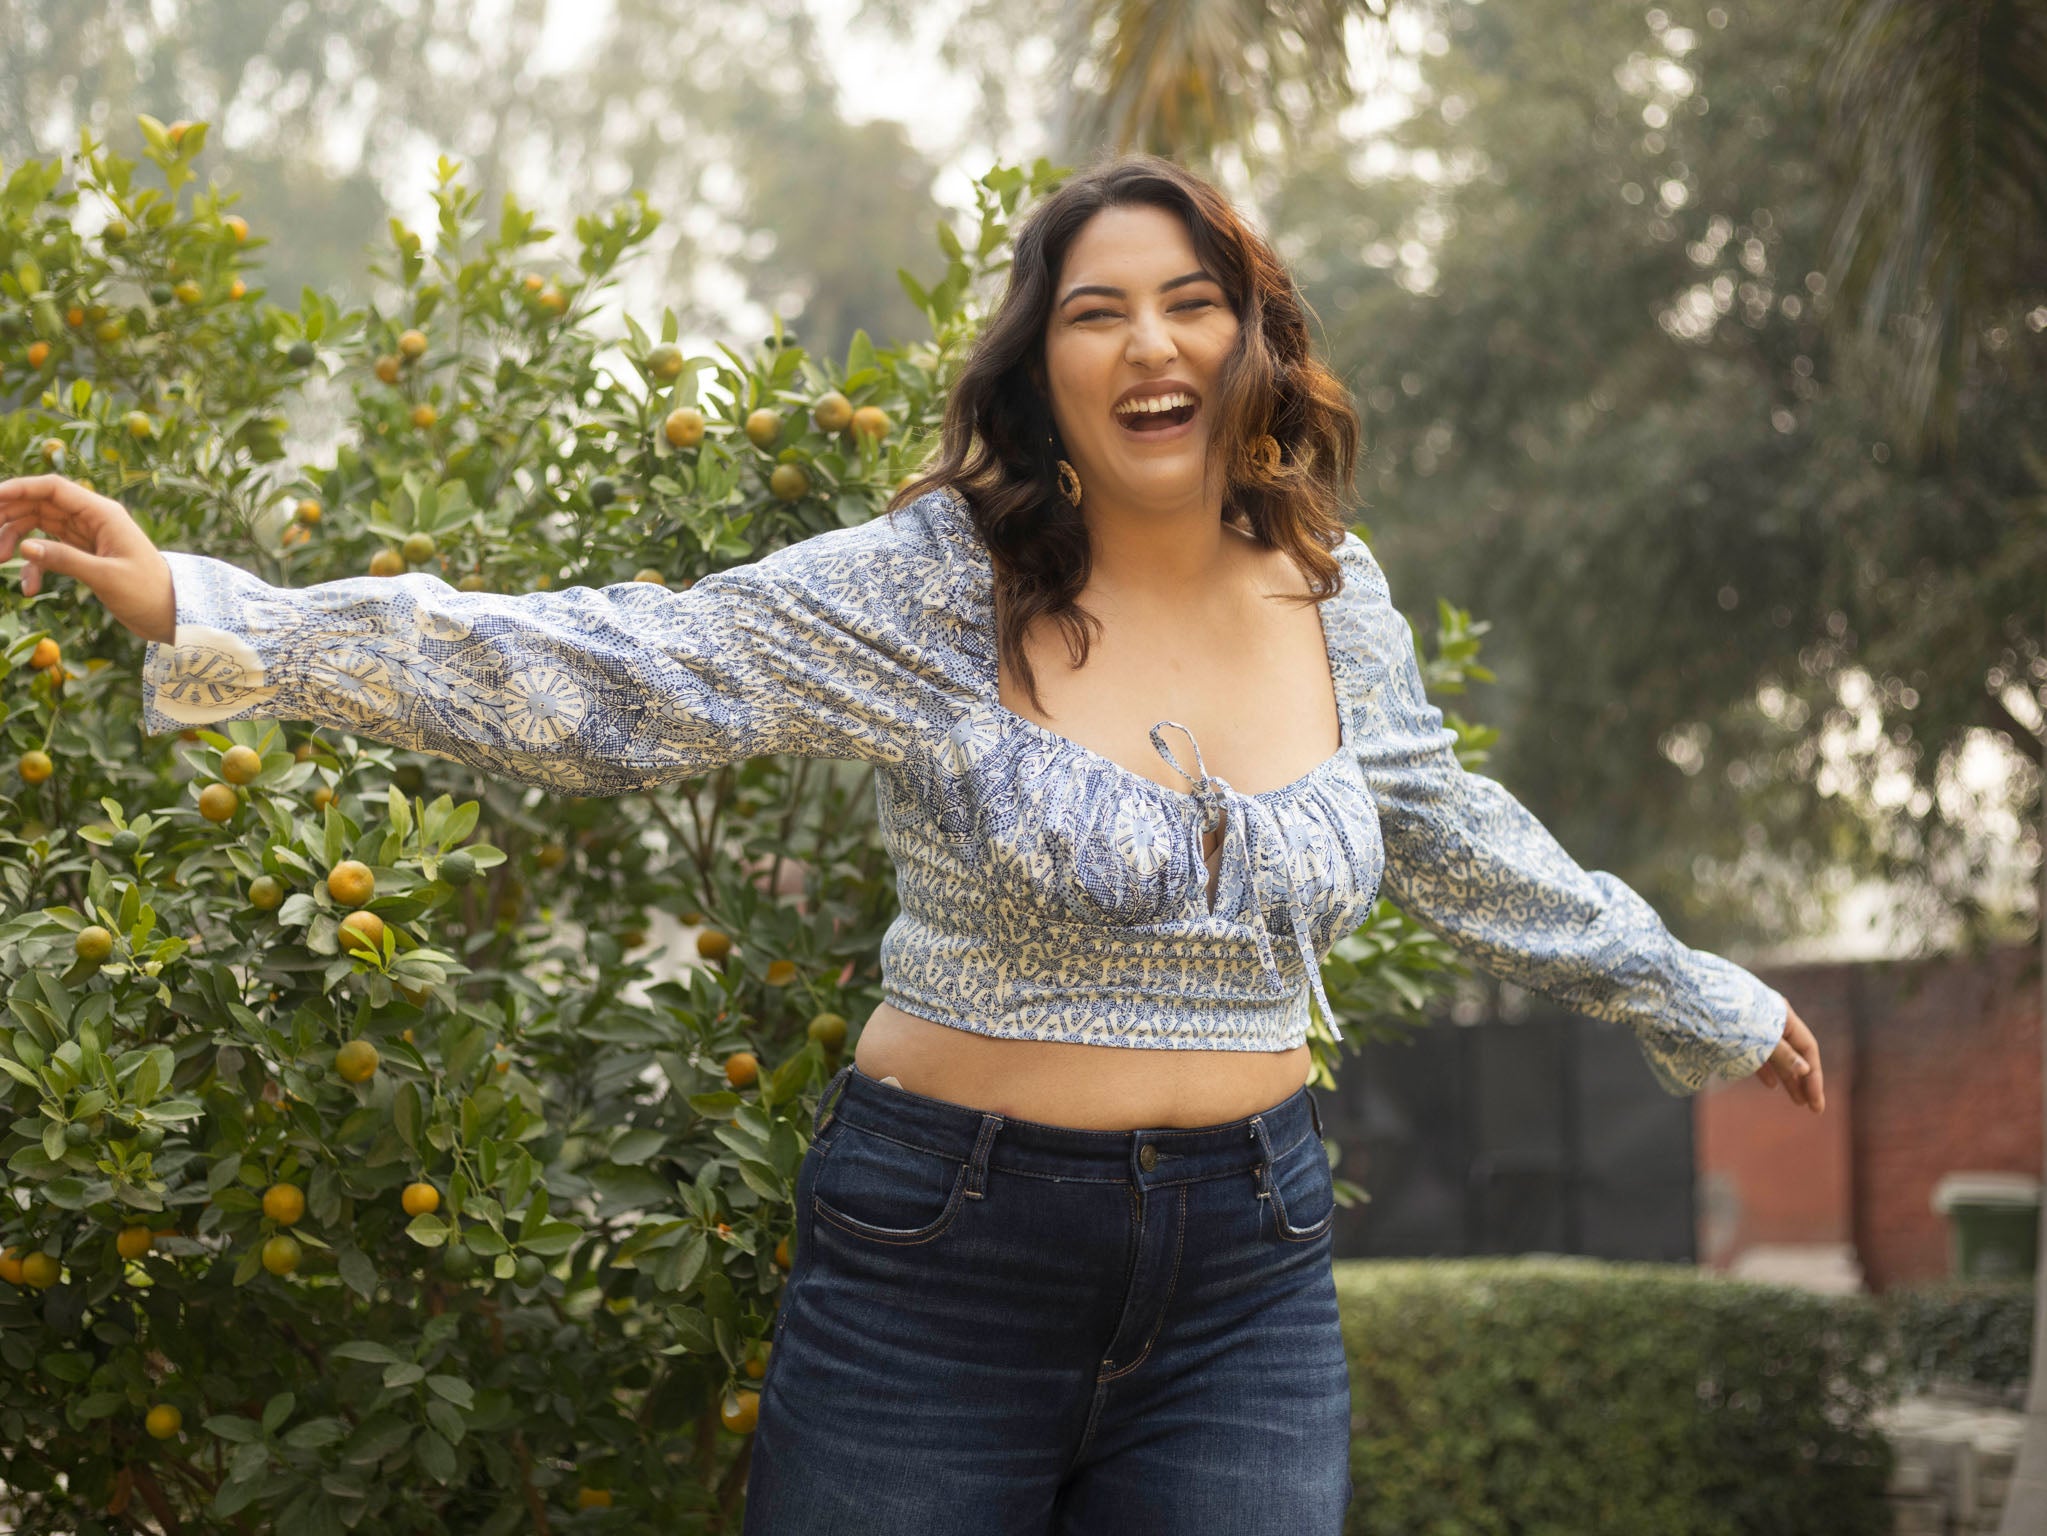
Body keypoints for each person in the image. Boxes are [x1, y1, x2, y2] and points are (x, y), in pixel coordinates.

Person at [0, 151, 1824, 1534]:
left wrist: (1695, 993)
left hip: (1247, 1265)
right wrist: (221, 611)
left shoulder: (1335, 598)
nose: (1150, 342)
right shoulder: (935, 590)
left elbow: (1455, 833)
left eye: (1190, 300)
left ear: (1253, 340)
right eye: (1096, 312)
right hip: (944, 1255)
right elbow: (625, 671)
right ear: (1045, 367)